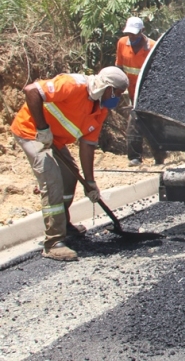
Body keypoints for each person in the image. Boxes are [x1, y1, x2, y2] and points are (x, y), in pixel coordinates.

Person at [11, 67, 128, 261]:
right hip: (31, 131)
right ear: (108, 88)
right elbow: (32, 90)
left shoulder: (101, 109)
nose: (118, 98)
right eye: (117, 93)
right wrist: (42, 128)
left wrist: (90, 182)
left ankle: (63, 224)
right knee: (52, 180)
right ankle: (53, 242)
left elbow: (87, 145)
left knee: (69, 177)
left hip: (54, 140)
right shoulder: (73, 85)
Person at [116, 17, 165, 166]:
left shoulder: (152, 47)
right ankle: (135, 157)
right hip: (132, 92)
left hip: (148, 92)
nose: (132, 37)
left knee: (147, 123)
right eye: (129, 33)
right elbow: (119, 67)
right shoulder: (122, 43)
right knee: (135, 122)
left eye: (135, 34)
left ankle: (158, 155)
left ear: (142, 31)